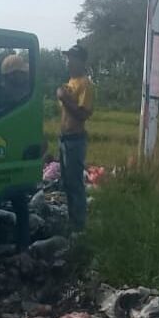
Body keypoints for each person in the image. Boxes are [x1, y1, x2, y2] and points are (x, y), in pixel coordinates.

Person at [57, 44, 95, 231]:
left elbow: (82, 114)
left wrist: (64, 98)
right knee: (66, 183)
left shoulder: (85, 84)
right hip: (64, 139)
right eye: (67, 58)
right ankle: (72, 221)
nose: (69, 62)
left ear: (81, 61)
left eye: (72, 58)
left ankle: (79, 225)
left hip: (75, 140)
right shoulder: (70, 82)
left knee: (75, 184)